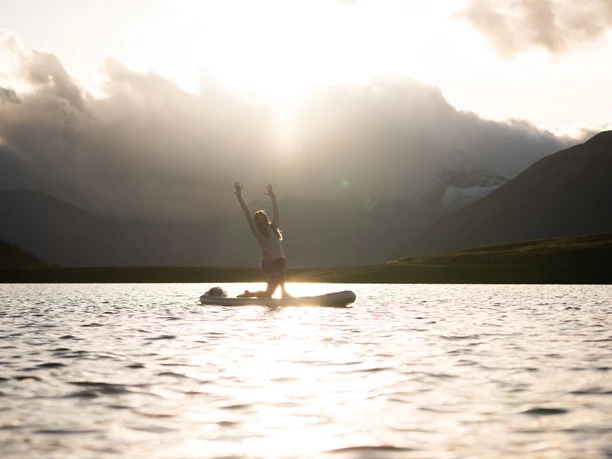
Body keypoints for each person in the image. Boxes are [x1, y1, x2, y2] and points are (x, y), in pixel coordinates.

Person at [234, 182, 292, 298]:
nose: (264, 216)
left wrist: (273, 197)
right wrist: (239, 196)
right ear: (256, 221)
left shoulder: (273, 228)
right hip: (268, 264)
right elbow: (247, 213)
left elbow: (276, 213)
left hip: (279, 263)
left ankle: (249, 294)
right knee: (281, 261)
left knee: (267, 295)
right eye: (260, 216)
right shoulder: (257, 232)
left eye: (264, 215)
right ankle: (284, 293)